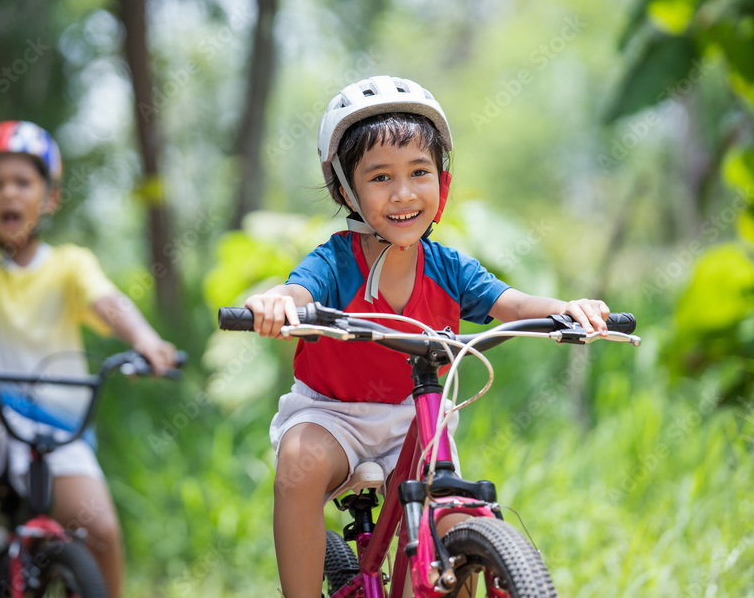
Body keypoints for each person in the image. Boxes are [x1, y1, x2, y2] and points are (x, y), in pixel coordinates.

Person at [244, 76, 610, 598]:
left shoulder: (448, 267)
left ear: (442, 180)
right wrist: (279, 301)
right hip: (333, 414)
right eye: (380, 178)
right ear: (344, 189)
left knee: (449, 525)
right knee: (299, 465)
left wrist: (565, 310)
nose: (403, 193)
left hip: (419, 418)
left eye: (420, 172)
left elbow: (511, 303)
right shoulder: (335, 261)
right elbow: (300, 291)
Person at [0, 120, 177, 598]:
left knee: (102, 535)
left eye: (23, 182)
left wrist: (144, 339)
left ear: (48, 198)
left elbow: (108, 301)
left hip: (56, 430)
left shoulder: (69, 264)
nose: (9, 193)